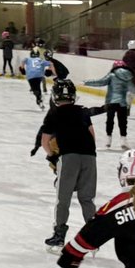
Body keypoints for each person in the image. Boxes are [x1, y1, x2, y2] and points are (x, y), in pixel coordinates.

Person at [40, 78, 97, 250]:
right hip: (89, 157)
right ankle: (94, 237)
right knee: (87, 198)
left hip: (69, 157)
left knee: (62, 199)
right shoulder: (83, 111)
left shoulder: (53, 113)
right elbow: (92, 136)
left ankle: (58, 237)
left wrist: (52, 157)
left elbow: (45, 141)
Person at [86, 60, 135, 150]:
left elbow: (101, 82)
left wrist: (87, 82)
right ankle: (123, 141)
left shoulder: (112, 75)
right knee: (123, 122)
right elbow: (132, 89)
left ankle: (108, 141)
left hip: (111, 102)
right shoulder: (129, 76)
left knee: (110, 120)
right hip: (123, 103)